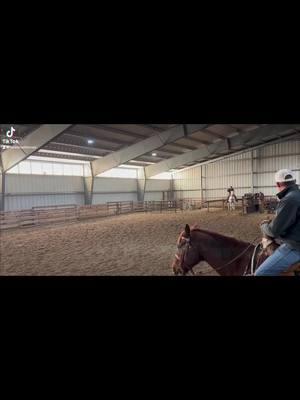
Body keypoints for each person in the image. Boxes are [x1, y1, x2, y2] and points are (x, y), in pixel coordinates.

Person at [255, 169, 300, 276]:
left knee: (261, 273)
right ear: (294, 181)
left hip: (295, 246)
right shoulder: (297, 195)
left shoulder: (289, 200)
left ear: (278, 184)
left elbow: (274, 231)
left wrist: (263, 225)